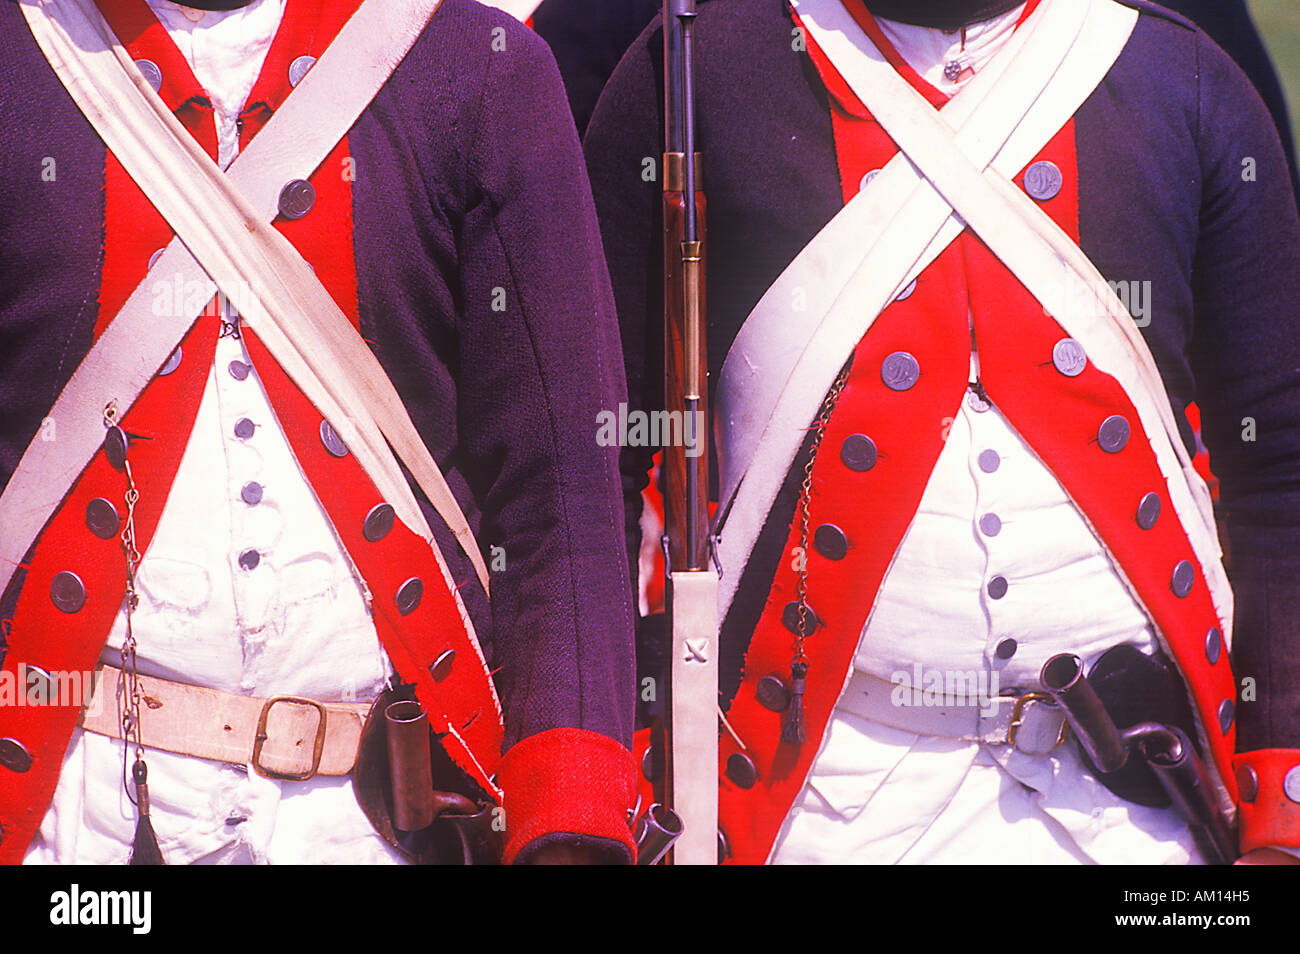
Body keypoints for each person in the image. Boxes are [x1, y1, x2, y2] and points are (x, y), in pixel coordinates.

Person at [586, 0, 1300, 863]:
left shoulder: (1178, 78)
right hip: (816, 803)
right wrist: (598, 781)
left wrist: (1281, 808)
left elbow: (1281, 474)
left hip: (1143, 806)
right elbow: (588, 478)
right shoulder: (692, 70)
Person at [0, 0, 636, 865]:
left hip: (384, 819)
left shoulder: (476, 67)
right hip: (73, 807)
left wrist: (570, 816)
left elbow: (561, 494)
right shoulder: (19, 56)